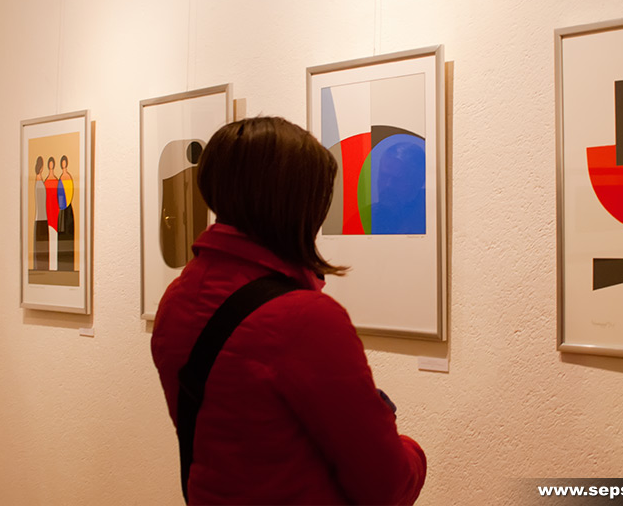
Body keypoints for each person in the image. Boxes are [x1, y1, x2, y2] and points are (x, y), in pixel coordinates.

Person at [151, 116, 426, 505]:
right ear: (299, 204)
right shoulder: (302, 319)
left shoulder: (178, 298)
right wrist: (411, 448)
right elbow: (387, 485)